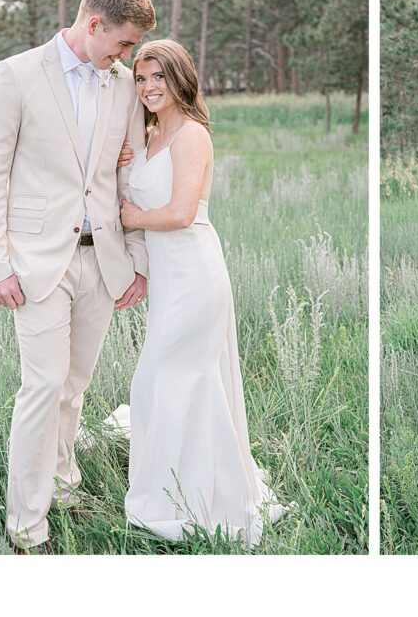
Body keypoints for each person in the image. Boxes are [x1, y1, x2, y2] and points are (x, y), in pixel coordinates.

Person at [0, 0, 156, 551]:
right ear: (92, 23)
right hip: (34, 262)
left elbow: (127, 176)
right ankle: (26, 526)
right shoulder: (17, 74)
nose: (127, 57)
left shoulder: (123, 86)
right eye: (122, 44)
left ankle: (62, 484)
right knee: (43, 385)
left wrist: (138, 258)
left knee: (74, 385)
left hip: (102, 260)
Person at [118, 39, 285, 546]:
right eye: (141, 78)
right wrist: (125, 166)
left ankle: (203, 497)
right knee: (166, 381)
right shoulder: (147, 134)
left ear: (179, 79)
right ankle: (177, 487)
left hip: (194, 270)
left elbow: (180, 212)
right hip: (167, 275)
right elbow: (138, 188)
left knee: (172, 378)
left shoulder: (192, 136)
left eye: (158, 77)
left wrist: (132, 217)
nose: (148, 87)